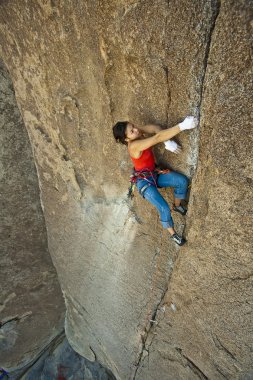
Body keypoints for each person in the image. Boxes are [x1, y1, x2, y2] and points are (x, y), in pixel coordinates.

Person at [112, 116, 197, 246]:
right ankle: (173, 235)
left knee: (182, 181)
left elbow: (155, 128)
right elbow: (156, 137)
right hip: (144, 183)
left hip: (154, 173)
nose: (136, 129)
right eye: (132, 131)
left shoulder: (138, 133)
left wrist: (167, 141)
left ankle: (178, 206)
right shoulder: (134, 146)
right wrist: (182, 126)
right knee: (163, 207)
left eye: (133, 126)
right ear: (127, 139)